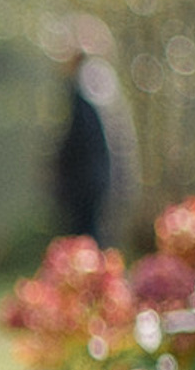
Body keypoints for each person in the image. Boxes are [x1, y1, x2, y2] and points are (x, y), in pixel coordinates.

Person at [49, 16, 140, 248]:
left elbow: (82, 136)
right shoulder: (100, 79)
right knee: (91, 238)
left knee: (86, 242)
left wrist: (60, 165)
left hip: (87, 180)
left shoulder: (88, 81)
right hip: (98, 178)